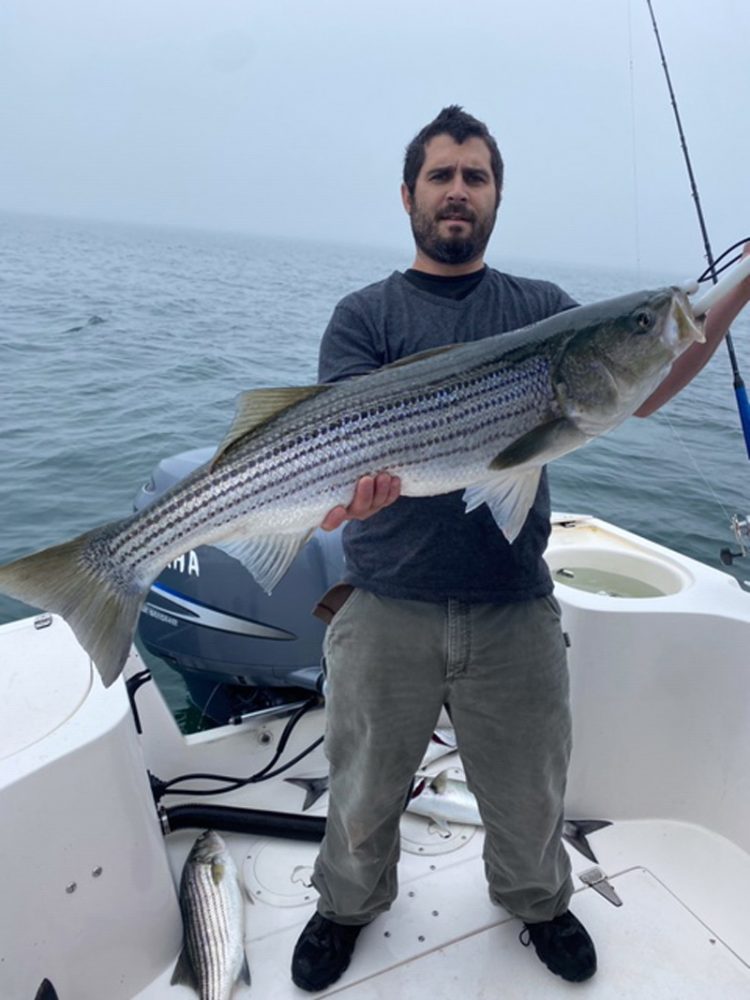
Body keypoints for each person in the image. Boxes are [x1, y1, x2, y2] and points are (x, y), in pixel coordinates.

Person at [290, 106, 750, 992]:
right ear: (409, 196)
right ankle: (345, 905)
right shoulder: (366, 314)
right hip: (386, 602)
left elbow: (648, 381)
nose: (458, 191)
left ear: (497, 196)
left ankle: (538, 901)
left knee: (535, 794)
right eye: (441, 176)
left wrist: (727, 299)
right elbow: (334, 451)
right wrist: (352, 493)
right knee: (358, 793)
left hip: (513, 604)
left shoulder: (541, 312)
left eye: (476, 176)